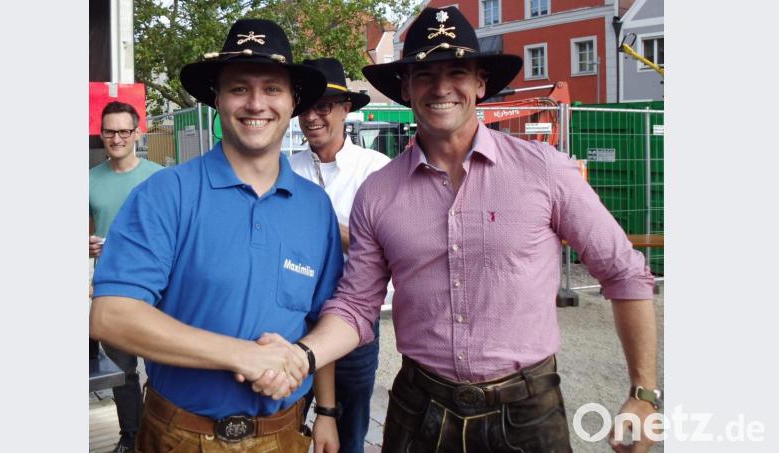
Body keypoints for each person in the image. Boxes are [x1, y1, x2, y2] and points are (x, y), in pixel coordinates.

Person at [269, 6, 660, 452]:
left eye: (457, 71)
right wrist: (303, 355)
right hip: (419, 409)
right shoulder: (378, 193)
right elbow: (357, 305)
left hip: (527, 410)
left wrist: (643, 394)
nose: (441, 88)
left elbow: (624, 272)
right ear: (405, 87)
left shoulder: (544, 171)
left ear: (480, 83)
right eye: (424, 74)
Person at [89, 18, 343, 453]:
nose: (256, 103)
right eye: (239, 88)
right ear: (218, 99)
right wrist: (241, 354)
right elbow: (111, 315)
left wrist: (328, 412)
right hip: (180, 435)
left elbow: (323, 316)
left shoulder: (316, 208)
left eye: (272, 88)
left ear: (293, 101)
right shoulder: (166, 194)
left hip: (285, 433)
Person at [289, 58, 390, 453]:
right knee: (284, 423)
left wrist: (322, 224)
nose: (312, 117)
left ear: (346, 109)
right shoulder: (286, 168)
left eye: (323, 106)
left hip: (352, 320)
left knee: (349, 431)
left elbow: (384, 250)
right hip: (294, 314)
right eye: (305, 108)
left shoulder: (376, 169)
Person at [89, 100, 163, 452]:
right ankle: (131, 436)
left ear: (137, 133)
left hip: (157, 293)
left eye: (123, 131)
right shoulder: (88, 181)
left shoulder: (159, 178)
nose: (116, 138)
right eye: (109, 131)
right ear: (100, 133)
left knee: (164, 368)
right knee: (122, 374)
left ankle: (161, 433)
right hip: (110, 293)